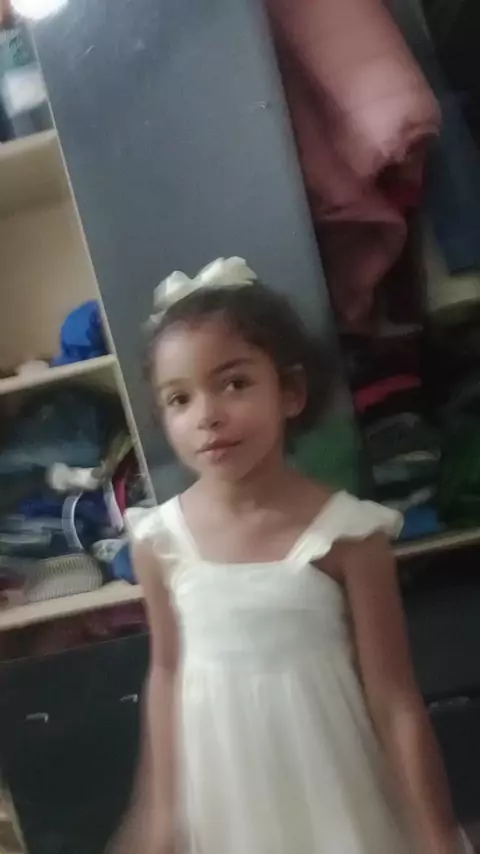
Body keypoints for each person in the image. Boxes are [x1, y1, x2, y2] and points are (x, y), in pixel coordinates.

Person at [117, 258, 471, 854]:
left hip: (336, 787)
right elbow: (167, 673)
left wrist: (435, 834)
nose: (208, 414)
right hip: (226, 794)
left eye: (235, 383)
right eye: (180, 399)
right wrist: (157, 808)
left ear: (291, 392)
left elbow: (394, 699)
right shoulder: (159, 539)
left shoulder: (349, 535)